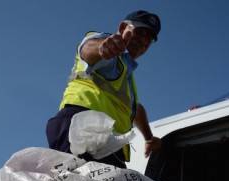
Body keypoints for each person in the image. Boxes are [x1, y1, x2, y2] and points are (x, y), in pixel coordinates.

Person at [46, 10, 162, 168]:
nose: (143, 40)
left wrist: (149, 138)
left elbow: (135, 110)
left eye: (149, 38)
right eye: (139, 32)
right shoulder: (109, 49)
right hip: (83, 129)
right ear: (122, 28)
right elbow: (87, 49)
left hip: (108, 143)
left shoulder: (126, 74)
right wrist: (102, 47)